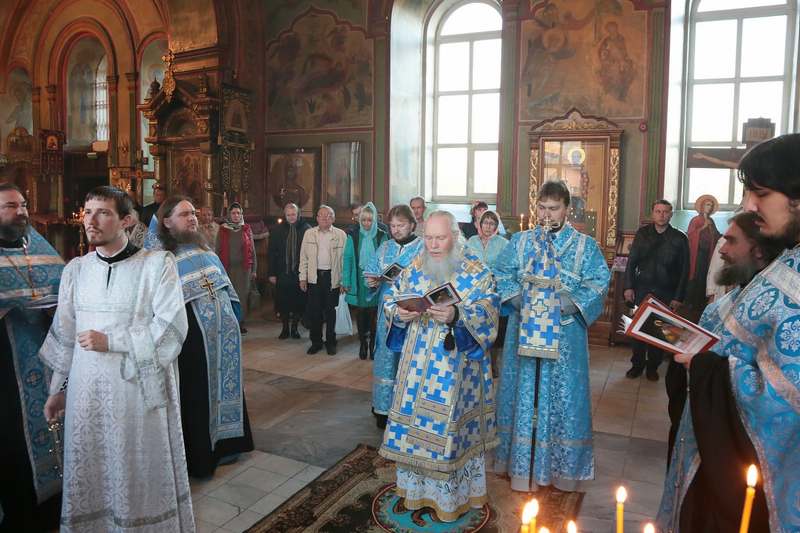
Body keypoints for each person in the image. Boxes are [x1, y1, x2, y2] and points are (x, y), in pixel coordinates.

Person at [657, 134, 800, 533]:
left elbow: (786, 399)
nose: (749, 205)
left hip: (758, 487)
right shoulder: (788, 257)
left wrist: (705, 366)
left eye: (761, 192)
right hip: (720, 460)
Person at [39, 185, 195, 532]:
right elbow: (66, 336)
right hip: (87, 395)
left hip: (135, 393)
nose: (90, 221)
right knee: (94, 470)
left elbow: (171, 329)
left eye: (103, 212)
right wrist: (59, 389)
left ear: (126, 220)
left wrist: (113, 341)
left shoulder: (156, 266)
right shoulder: (75, 271)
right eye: (87, 211)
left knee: (133, 469)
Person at [379, 211, 499, 522]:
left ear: (455, 237)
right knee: (413, 432)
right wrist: (398, 313)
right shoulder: (414, 267)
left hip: (454, 368)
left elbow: (489, 314)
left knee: (447, 434)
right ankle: (415, 492)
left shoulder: (477, 272)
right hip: (416, 365)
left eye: (440, 238)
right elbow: (392, 299)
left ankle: (452, 498)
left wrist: (457, 317)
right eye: (428, 237)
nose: (433, 245)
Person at [493, 180, 611, 492]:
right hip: (523, 335)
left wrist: (569, 304)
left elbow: (599, 282)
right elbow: (501, 275)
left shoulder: (585, 246)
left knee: (561, 401)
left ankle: (560, 471)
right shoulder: (519, 242)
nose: (547, 214)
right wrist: (520, 301)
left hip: (564, 340)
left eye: (554, 208)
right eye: (542, 207)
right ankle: (521, 467)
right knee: (524, 394)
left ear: (567, 209)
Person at [153, 196, 254, 478]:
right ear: (167, 221)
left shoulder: (205, 250)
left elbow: (226, 290)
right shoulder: (162, 259)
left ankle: (228, 443)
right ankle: (201, 454)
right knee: (197, 394)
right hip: (192, 344)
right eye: (185, 214)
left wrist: (233, 319)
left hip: (223, 339)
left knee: (224, 387)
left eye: (193, 213)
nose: (193, 218)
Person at [0, 183, 64, 531]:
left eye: (23, 204)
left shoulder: (36, 243)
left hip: (45, 354)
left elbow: (61, 286)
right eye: (11, 206)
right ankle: (20, 512)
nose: (21, 211)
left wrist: (56, 308)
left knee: (51, 424)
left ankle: (54, 504)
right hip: (5, 366)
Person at [364, 204, 425, 428]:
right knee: (386, 355)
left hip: (411, 311)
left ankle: (406, 407)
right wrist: (371, 282)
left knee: (407, 356)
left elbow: (426, 279)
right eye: (392, 226)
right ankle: (383, 407)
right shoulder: (385, 247)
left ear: (411, 225)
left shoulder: (421, 248)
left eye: (401, 225)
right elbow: (371, 273)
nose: (396, 230)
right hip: (385, 311)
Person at [623, 200, 690, 381]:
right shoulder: (642, 234)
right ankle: (637, 365)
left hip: (666, 292)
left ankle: (653, 367)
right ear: (653, 213)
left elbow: (685, 270)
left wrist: (678, 296)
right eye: (658, 211)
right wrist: (628, 286)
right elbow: (632, 262)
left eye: (665, 212)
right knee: (637, 330)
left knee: (660, 331)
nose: (661, 215)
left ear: (671, 214)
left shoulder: (679, 238)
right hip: (642, 289)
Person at [299, 205, 347, 355]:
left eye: (328, 215)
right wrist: (303, 277)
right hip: (314, 278)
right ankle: (316, 342)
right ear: (317, 218)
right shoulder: (309, 234)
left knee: (331, 312)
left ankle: (331, 342)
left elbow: (345, 260)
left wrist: (344, 281)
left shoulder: (341, 234)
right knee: (315, 312)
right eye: (321, 215)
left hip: (333, 278)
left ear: (333, 218)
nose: (325, 218)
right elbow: (303, 258)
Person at [342, 202, 388, 359]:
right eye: (364, 220)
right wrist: (345, 281)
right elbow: (347, 259)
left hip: (376, 281)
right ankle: (362, 343)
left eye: (370, 220)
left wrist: (379, 278)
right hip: (359, 280)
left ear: (375, 220)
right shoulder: (353, 235)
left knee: (375, 314)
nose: (367, 224)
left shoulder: (382, 235)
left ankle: (373, 344)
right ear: (359, 220)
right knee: (361, 314)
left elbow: (384, 260)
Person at [268, 203, 310, 339]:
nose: (291, 217)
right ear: (284, 215)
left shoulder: (306, 229)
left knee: (298, 302)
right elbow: (272, 253)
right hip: (282, 272)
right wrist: (272, 273)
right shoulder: (277, 230)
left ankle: (295, 328)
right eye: (288, 215)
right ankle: (285, 328)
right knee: (283, 302)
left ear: (298, 214)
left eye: (293, 214)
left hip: (300, 273)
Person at [217, 202, 256, 332]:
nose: (236, 215)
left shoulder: (246, 229)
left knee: (242, 296)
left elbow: (252, 251)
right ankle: (230, 322)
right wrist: (217, 270)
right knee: (228, 296)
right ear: (229, 214)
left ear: (241, 215)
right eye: (233, 213)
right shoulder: (222, 229)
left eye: (238, 213)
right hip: (227, 269)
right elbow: (217, 250)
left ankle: (240, 322)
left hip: (244, 269)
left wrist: (254, 270)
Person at [685, 194, 722, 319]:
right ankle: (692, 305)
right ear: (701, 206)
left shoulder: (711, 221)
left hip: (708, 255)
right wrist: (702, 228)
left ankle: (701, 303)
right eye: (707, 205)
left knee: (705, 277)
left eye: (711, 205)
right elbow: (690, 235)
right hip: (698, 255)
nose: (709, 207)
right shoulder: (696, 220)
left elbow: (717, 236)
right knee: (697, 277)